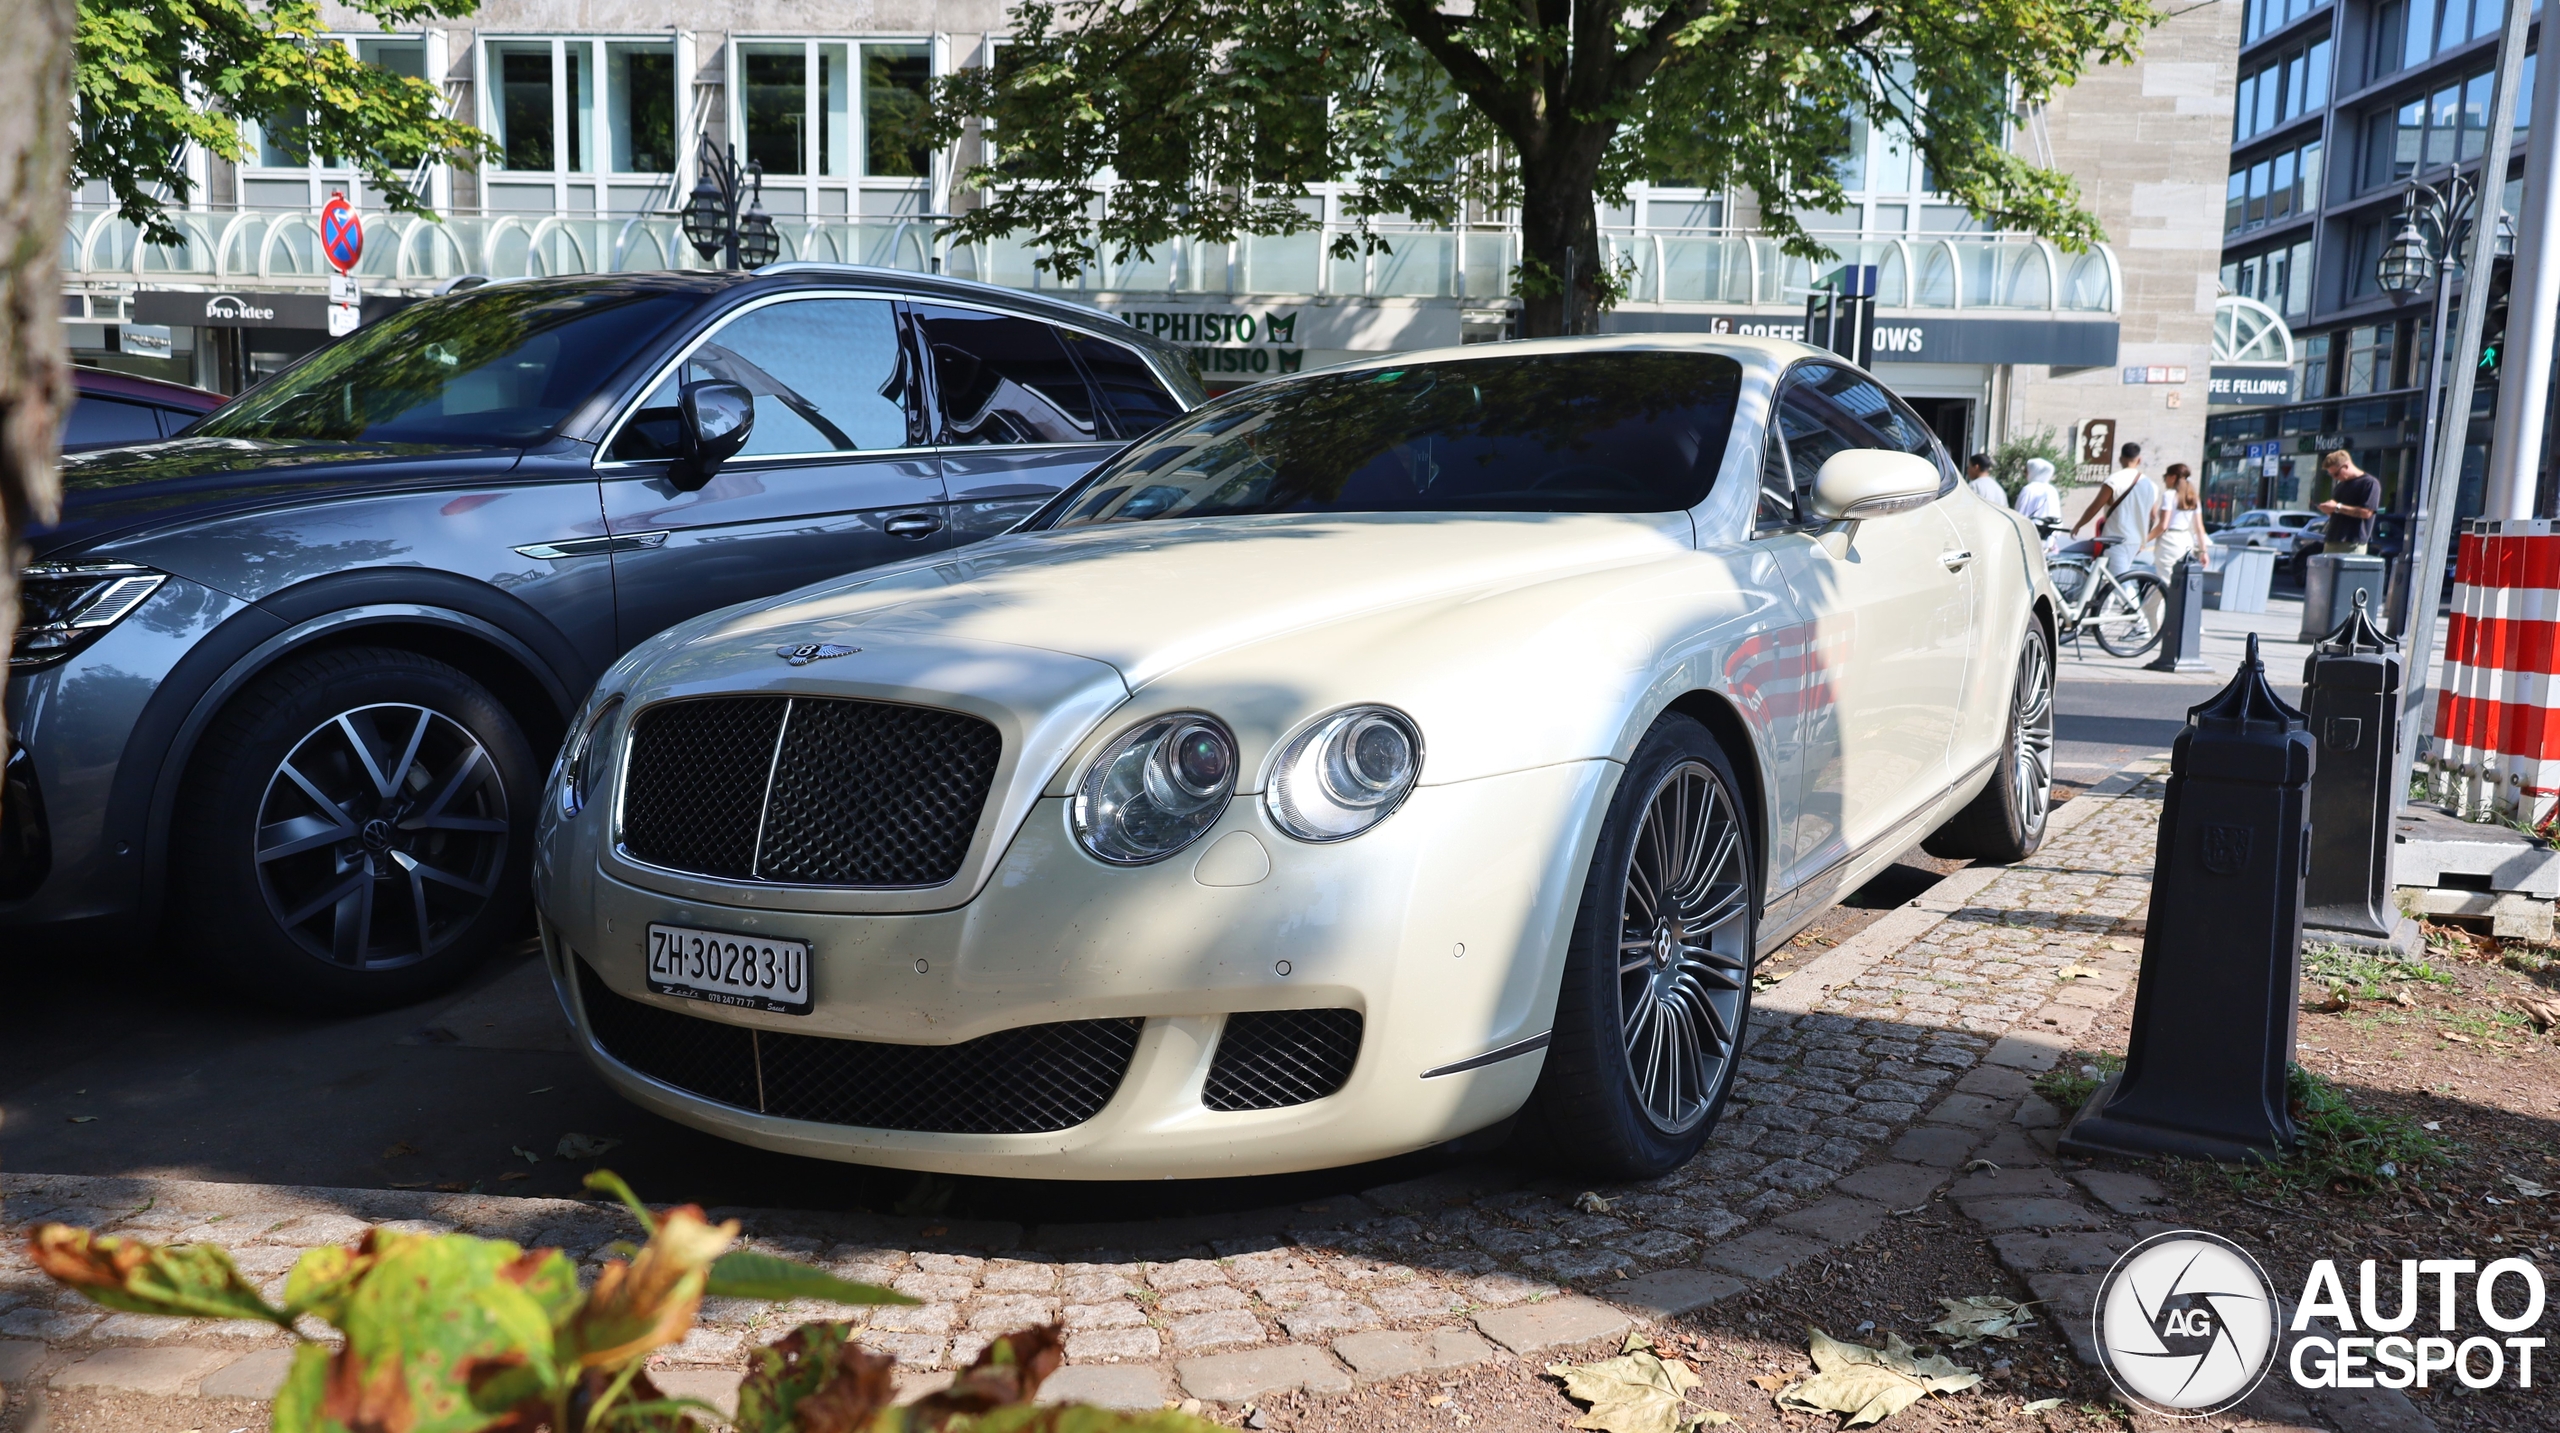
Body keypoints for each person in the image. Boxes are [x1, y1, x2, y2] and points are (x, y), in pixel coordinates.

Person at [2072, 441, 2159, 576]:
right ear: (2139, 460)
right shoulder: (2150, 485)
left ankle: (2130, 599)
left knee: (2121, 583)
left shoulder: (2114, 480)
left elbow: (2095, 506)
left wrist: (2079, 525)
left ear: (2120, 458)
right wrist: (2144, 538)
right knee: (2111, 580)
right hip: (2136, 541)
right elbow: (2153, 516)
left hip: (2116, 540)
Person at [2148, 462, 2211, 575]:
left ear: (2173, 477)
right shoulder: (2193, 497)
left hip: (2169, 541)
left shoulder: (2169, 495)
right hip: (2186, 540)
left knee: (2165, 580)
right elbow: (2199, 528)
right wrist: (2203, 551)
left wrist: (2145, 540)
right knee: (2179, 581)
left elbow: (2163, 525)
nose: (2164, 480)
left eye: (2165, 477)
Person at [2317, 450, 2380, 555]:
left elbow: (2367, 513)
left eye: (2336, 474)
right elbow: (2338, 512)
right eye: (2331, 475)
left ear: (2346, 466)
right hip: (2332, 540)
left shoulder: (2369, 483)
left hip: (2352, 542)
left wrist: (2337, 507)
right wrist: (2329, 510)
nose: (2335, 477)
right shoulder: (2340, 486)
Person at [2014, 456, 2063, 528]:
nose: (2025, 474)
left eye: (2026, 471)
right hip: (2049, 535)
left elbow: (2019, 514)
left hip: (2031, 533)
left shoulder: (2028, 489)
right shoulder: (2052, 490)